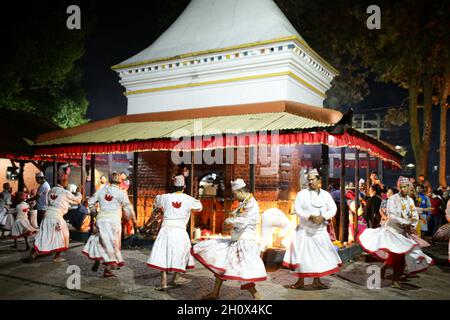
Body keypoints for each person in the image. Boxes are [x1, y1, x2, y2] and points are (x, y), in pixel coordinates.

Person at [192, 179, 266, 300]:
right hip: (237, 240)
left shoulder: (251, 204)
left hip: (244, 243)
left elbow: (243, 222)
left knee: (242, 271)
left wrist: (229, 221)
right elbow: (240, 217)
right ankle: (215, 293)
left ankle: (257, 296)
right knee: (222, 263)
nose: (234, 197)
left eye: (235, 194)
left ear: (241, 191)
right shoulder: (245, 202)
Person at [358, 177, 433, 289]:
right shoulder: (392, 199)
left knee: (399, 256)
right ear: (398, 187)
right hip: (392, 232)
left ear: (409, 187)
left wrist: (411, 224)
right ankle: (395, 280)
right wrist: (406, 223)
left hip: (403, 232)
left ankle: (386, 272)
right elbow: (392, 216)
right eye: (402, 186)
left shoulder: (410, 200)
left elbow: (414, 214)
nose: (404, 189)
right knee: (398, 257)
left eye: (406, 186)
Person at [283, 169, 342, 290]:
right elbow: (298, 209)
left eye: (312, 179)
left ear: (319, 180)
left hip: (319, 232)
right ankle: (300, 281)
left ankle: (317, 281)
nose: (310, 182)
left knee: (318, 257)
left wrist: (323, 217)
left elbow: (333, 209)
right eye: (308, 180)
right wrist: (309, 216)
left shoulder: (326, 195)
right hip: (304, 231)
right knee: (302, 257)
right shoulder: (302, 194)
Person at [146, 175, 203, 291]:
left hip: (166, 229)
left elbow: (156, 202)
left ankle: (164, 283)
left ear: (173, 186)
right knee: (182, 254)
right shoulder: (188, 199)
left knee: (163, 254)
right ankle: (176, 277)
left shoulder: (165, 197)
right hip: (180, 231)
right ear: (184, 187)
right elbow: (199, 207)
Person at [82, 173, 136, 278]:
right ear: (120, 182)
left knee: (100, 240)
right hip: (114, 221)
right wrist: (133, 219)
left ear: (110, 181)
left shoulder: (101, 191)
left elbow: (90, 202)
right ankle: (108, 269)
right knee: (113, 243)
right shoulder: (121, 193)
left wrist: (95, 213)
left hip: (101, 219)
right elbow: (128, 208)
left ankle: (99, 258)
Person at [32, 179, 82, 262]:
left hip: (48, 215)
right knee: (64, 236)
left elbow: (47, 202)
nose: (67, 182)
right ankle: (57, 256)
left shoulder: (51, 191)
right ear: (62, 181)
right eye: (66, 180)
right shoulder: (65, 192)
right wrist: (78, 192)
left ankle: (33, 251)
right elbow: (77, 200)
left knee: (45, 234)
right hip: (57, 216)